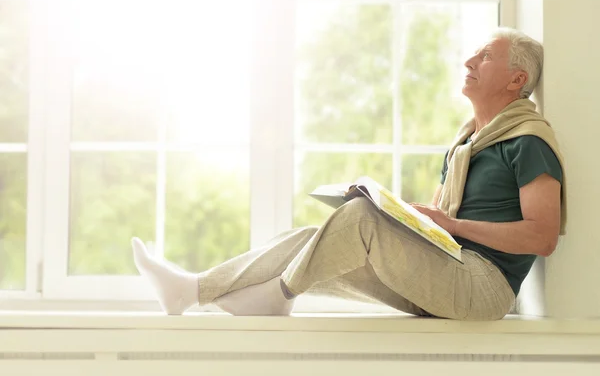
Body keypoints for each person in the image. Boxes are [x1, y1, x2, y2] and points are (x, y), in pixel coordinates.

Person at [131, 27, 566, 321]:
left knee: (359, 220)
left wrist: (449, 223)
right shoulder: (466, 143)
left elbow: (542, 236)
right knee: (306, 238)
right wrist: (410, 217)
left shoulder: (527, 140)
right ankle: (191, 291)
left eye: (486, 56)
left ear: (516, 80)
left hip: (483, 289)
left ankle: (278, 295)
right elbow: (443, 218)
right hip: (449, 271)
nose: (470, 59)